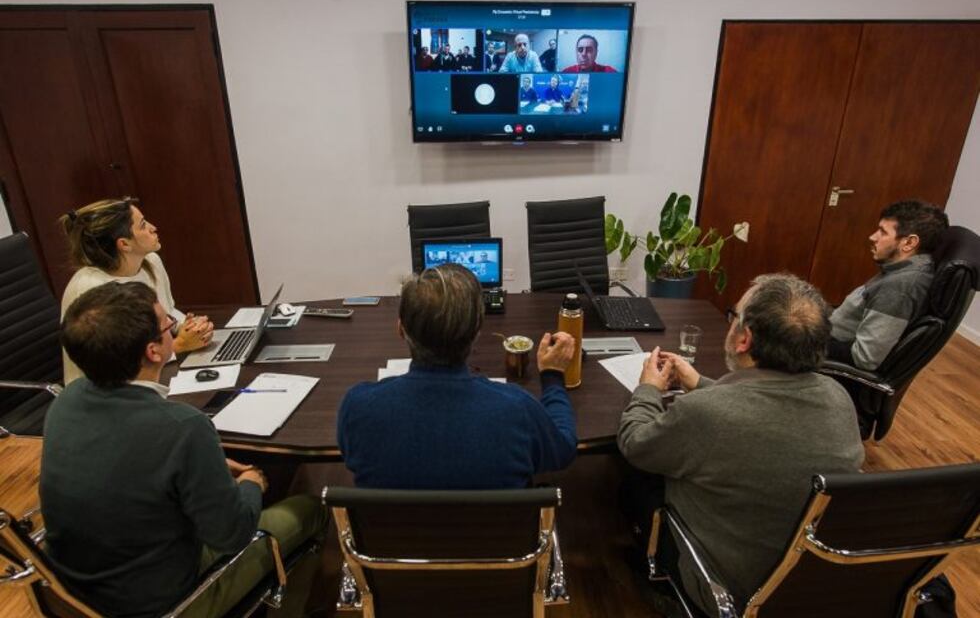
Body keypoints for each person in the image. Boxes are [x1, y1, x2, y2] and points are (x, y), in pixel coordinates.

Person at [41, 282, 326, 618]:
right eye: (168, 326)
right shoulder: (183, 426)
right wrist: (251, 482)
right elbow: (231, 534)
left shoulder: (65, 402)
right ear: (154, 351)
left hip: (74, 594)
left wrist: (207, 464)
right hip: (164, 603)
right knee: (310, 510)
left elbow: (130, 463)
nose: (174, 329)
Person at [618, 274, 864, 615]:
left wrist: (647, 389)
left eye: (733, 316)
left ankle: (664, 584)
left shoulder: (706, 415)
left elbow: (634, 443)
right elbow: (762, 410)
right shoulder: (839, 399)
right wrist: (701, 383)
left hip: (727, 586)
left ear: (744, 339)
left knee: (632, 473)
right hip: (808, 579)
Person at [338, 263, 577, 488]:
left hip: (391, 532)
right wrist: (553, 375)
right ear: (477, 332)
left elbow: (353, 459)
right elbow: (562, 451)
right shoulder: (517, 409)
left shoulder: (358, 406)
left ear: (401, 329)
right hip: (493, 532)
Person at [59, 197, 214, 384]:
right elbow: (116, 363)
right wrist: (179, 345)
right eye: (142, 225)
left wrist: (190, 328)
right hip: (108, 390)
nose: (153, 227)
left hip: (155, 369)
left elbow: (168, 312)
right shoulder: (91, 288)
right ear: (124, 244)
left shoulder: (150, 261)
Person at [828, 199, 948, 370]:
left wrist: (803, 343)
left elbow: (865, 357)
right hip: (826, 334)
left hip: (822, 353)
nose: (873, 237)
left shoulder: (899, 288)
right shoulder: (906, 270)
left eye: (883, 232)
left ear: (909, 243)